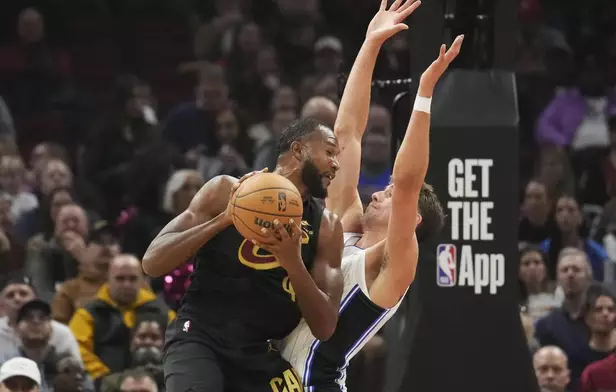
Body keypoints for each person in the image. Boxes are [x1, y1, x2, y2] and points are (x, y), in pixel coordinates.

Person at [279, 1, 462, 390]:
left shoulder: (395, 266)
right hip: (274, 377)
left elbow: (410, 179)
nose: (380, 192)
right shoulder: (345, 225)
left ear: (412, 219)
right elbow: (347, 135)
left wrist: (424, 95)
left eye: (390, 194)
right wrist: (371, 43)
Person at [142, 120, 345, 389]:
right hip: (200, 337)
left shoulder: (327, 226)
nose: (336, 164)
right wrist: (225, 219)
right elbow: (152, 263)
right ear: (298, 150)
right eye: (330, 152)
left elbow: (326, 327)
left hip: (259, 353)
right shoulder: (225, 190)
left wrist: (293, 263)